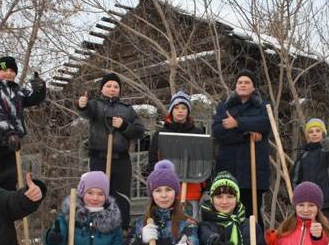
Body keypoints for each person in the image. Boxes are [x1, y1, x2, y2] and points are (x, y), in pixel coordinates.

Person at [77, 73, 145, 230]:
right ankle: (97, 228)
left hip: (121, 160)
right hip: (99, 159)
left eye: (116, 86)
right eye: (108, 86)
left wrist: (124, 126)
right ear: (102, 89)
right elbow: (86, 112)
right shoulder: (95, 105)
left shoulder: (127, 110)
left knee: (121, 197)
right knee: (97, 194)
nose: (112, 89)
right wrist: (82, 105)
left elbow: (139, 131)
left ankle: (122, 230)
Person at [0, 56, 46, 191]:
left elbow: (33, 99)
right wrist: (10, 132)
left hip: (11, 144)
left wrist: (39, 88)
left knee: (11, 181)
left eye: (12, 70)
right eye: (4, 70)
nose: (8, 73)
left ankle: (10, 209)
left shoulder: (18, 91)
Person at [212, 69, 270, 222]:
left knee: (252, 214)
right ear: (235, 86)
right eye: (240, 82)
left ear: (253, 87)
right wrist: (246, 133)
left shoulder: (262, 106)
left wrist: (237, 123)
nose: (243, 85)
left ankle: (255, 244)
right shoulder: (224, 106)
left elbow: (264, 124)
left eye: (247, 82)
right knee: (228, 213)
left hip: (253, 170)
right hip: (230, 168)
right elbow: (219, 131)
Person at [148, 90, 206, 219]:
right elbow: (153, 161)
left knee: (190, 225)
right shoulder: (160, 135)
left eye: (184, 108)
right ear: (171, 110)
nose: (180, 111)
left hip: (191, 188)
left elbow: (204, 161)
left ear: (188, 111)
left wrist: (204, 185)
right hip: (166, 189)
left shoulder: (197, 133)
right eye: (177, 107)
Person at [291, 118, 329, 228]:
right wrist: (298, 198)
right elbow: (296, 179)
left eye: (317, 131)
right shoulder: (303, 156)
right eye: (311, 132)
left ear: (323, 132)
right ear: (307, 135)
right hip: (309, 205)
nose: (314, 134)